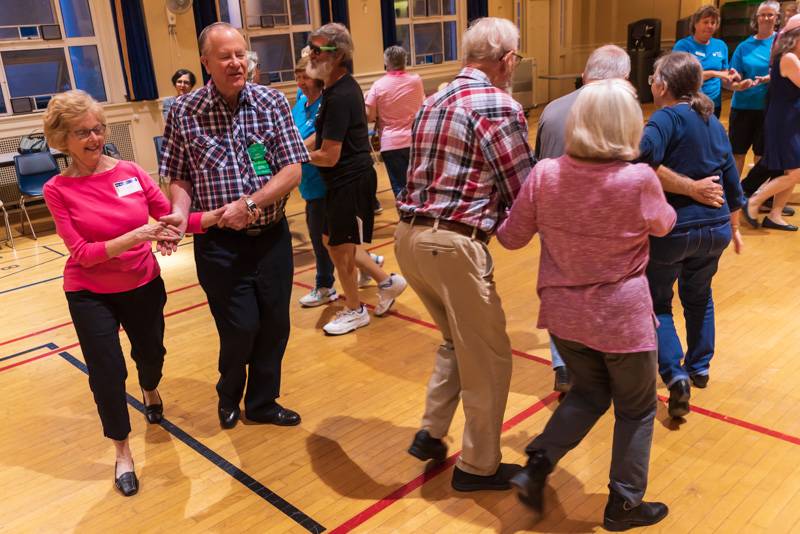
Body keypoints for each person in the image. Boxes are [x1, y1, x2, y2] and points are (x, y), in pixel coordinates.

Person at [498, 79, 674, 531]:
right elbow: (665, 225)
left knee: (589, 393)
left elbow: (511, 237)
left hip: (564, 317)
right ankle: (625, 505)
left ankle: (538, 462)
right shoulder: (639, 179)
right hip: (622, 320)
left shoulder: (546, 174)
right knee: (636, 410)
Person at [41, 90, 212, 496]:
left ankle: (150, 386)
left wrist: (216, 218)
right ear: (62, 139)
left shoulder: (131, 172)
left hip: (142, 282)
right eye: (83, 132)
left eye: (98, 128)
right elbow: (83, 254)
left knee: (151, 354)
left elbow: (170, 219)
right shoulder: (57, 189)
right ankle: (122, 451)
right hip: (89, 291)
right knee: (107, 373)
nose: (95, 138)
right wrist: (138, 234)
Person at [397, 17, 535, 492]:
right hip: (452, 244)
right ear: (507, 60)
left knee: (458, 343)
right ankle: (478, 467)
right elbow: (522, 187)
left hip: (408, 240)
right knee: (491, 360)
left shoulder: (432, 99)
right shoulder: (499, 105)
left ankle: (431, 433)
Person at [160, 22, 308, 430]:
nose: (236, 62)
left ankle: (262, 402)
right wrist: (179, 211)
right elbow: (179, 175)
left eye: (241, 54)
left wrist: (251, 203)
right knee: (241, 328)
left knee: (276, 325)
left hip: (271, 239)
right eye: (225, 56)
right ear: (206, 61)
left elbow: (292, 168)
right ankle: (229, 394)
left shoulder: (271, 103)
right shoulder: (184, 112)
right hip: (220, 246)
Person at [639, 52, 745, 418]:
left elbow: (641, 161)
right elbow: (731, 179)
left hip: (673, 229)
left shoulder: (663, 118)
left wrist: (685, 187)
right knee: (700, 297)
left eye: (653, 76)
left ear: (664, 85)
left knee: (657, 303)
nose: (651, 82)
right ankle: (700, 368)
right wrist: (733, 227)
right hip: (714, 229)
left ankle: (675, 375)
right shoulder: (711, 120)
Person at [534, 44, 631, 395]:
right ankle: (597, 365)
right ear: (622, 78)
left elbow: (539, 165)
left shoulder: (553, 109)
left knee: (559, 290)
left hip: (555, 221)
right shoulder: (623, 113)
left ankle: (563, 365)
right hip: (603, 226)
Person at [306, 23, 407, 336]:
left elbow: (330, 155)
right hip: (339, 183)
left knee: (340, 249)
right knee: (331, 242)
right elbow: (320, 139)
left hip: (350, 181)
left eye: (317, 49)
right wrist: (294, 146)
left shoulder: (340, 96)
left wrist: (291, 157)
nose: (310, 54)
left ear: (336, 56)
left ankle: (355, 309)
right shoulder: (332, 90)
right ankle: (386, 281)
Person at [742, 14, 800, 231]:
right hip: (784, 123)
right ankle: (755, 200)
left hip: (791, 122)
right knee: (796, 172)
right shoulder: (789, 58)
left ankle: (775, 215)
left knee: (791, 172)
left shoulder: (793, 57)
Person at [292, 55, 337, 307]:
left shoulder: (326, 104)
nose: (301, 82)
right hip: (307, 184)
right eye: (298, 76)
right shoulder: (299, 106)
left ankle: (324, 285)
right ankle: (370, 264)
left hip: (326, 184)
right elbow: (290, 133)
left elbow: (319, 137)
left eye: (306, 76)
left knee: (322, 240)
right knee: (332, 241)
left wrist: (294, 152)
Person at [365, 45, 425, 199]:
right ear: (405, 61)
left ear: (386, 63)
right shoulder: (416, 81)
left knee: (399, 186)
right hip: (415, 140)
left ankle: (404, 218)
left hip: (391, 143)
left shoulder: (378, 85)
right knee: (418, 185)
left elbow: (369, 116)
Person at [728, 1, 780, 177]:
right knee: (737, 153)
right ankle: (735, 197)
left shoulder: (781, 43)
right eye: (762, 14)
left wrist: (771, 78)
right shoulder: (744, 46)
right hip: (742, 107)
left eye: (770, 14)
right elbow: (731, 79)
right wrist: (738, 85)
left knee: (761, 155)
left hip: (769, 108)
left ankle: (758, 197)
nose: (766, 18)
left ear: (777, 18)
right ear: (756, 18)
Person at [673, 5, 740, 117]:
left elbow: (724, 78)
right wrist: (714, 73)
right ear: (695, 23)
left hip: (714, 105)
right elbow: (683, 78)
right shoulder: (683, 46)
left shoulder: (721, 46)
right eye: (706, 22)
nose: (710, 26)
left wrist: (735, 83)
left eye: (713, 23)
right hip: (690, 104)